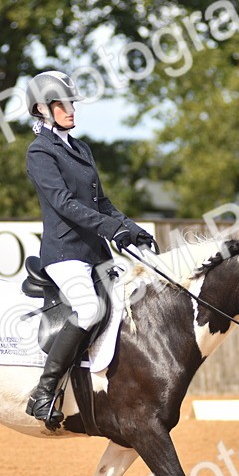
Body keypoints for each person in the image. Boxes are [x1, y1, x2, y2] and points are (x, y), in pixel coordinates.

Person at [23, 70, 158, 429]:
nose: (70, 110)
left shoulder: (80, 148)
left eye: (71, 103)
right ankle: (44, 391)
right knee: (87, 309)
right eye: (61, 104)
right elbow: (64, 204)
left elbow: (102, 201)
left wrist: (131, 227)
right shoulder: (39, 152)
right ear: (42, 108)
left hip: (95, 253)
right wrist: (111, 228)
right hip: (65, 253)